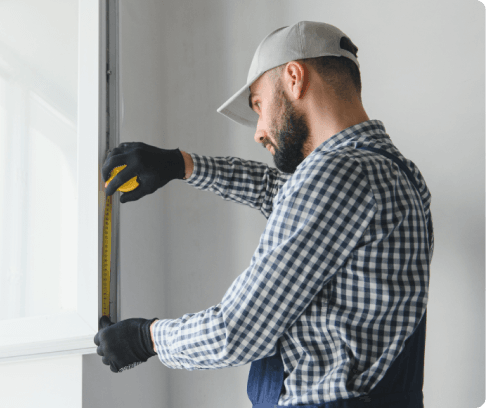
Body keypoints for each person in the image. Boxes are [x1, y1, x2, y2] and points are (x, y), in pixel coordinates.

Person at [94, 21, 434, 408]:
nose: (258, 131)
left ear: (293, 78)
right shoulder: (394, 172)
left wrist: (146, 338)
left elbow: (237, 330)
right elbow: (281, 192)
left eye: (258, 104)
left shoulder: (336, 174)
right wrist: (182, 164)